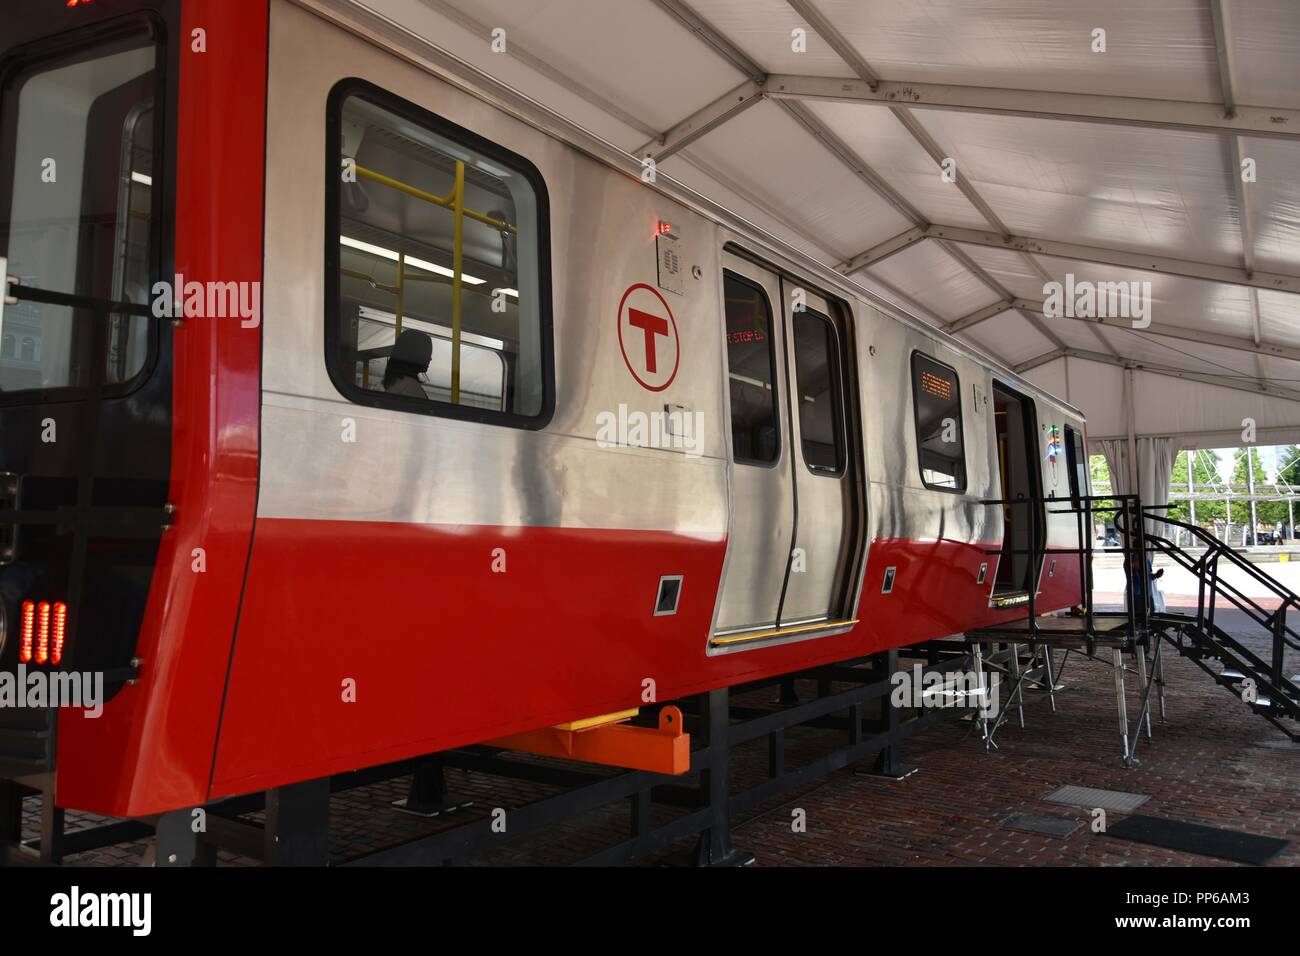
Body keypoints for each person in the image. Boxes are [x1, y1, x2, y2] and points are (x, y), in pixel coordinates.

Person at [383, 330, 432, 398]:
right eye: (427, 354)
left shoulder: (395, 383)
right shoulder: (410, 386)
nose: (430, 358)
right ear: (416, 355)